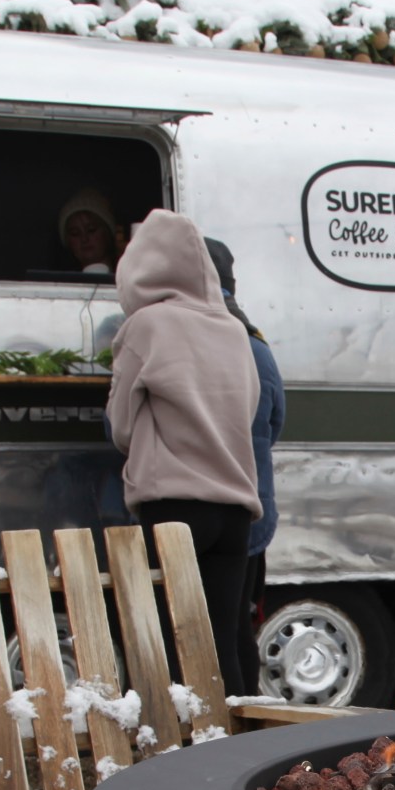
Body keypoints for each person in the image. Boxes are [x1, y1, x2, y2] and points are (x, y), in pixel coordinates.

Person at [106, 210, 262, 691]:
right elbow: (250, 410)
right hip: (235, 510)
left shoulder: (146, 326)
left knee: (173, 650)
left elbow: (120, 425)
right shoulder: (234, 331)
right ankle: (234, 758)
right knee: (222, 645)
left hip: (173, 505)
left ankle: (179, 762)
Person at [201, 238, 284, 693]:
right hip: (254, 504)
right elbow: (275, 423)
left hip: (213, 504)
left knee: (217, 629)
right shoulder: (256, 343)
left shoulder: (204, 338)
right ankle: (247, 721)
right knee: (240, 627)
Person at [57, 189, 125, 276]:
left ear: (107, 232)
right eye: (75, 233)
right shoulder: (60, 286)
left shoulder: (129, 281)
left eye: (91, 230)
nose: (84, 239)